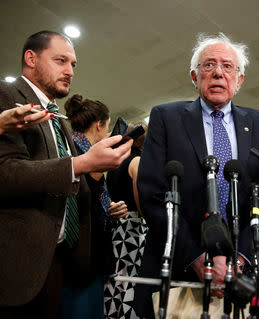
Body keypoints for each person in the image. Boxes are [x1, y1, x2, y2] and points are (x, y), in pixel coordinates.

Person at [135, 32, 259, 318]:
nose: (218, 72)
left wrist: (239, 258)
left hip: (242, 273)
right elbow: (152, 194)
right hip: (177, 267)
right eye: (208, 65)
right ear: (194, 76)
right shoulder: (166, 118)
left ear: (239, 80)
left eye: (228, 67)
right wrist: (196, 258)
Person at [0, 30, 132, 319]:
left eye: (73, 64)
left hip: (57, 263)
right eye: (61, 61)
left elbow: (68, 184)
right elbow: (7, 174)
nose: (70, 71)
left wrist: (97, 180)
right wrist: (81, 164)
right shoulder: (6, 96)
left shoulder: (57, 118)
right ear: (31, 59)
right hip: (16, 265)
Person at [60, 94, 128, 319]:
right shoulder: (84, 156)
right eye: (107, 128)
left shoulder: (65, 148)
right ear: (99, 125)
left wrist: (109, 208)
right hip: (83, 257)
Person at [105, 122, 149, 319]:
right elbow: (143, 203)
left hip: (116, 229)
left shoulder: (114, 166)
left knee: (115, 283)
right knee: (130, 283)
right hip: (133, 229)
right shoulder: (137, 161)